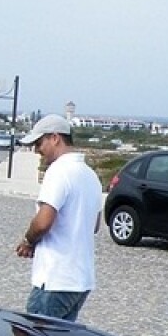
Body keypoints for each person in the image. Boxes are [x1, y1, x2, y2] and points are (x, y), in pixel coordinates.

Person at [14, 114, 102, 322]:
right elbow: (95, 226)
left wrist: (28, 241)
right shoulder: (90, 175)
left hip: (56, 279)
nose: (37, 150)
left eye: (39, 143)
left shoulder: (59, 171)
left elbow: (43, 222)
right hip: (80, 280)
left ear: (55, 138)